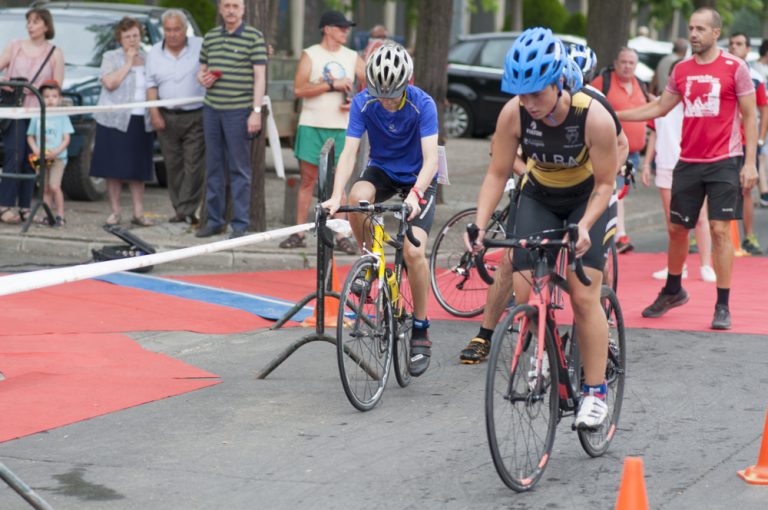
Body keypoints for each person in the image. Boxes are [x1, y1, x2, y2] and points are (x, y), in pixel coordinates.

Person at [471, 28, 619, 429]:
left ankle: (595, 390)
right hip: (539, 195)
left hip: (586, 199)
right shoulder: (513, 114)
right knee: (525, 292)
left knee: (583, 292)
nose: (529, 103)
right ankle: (545, 356)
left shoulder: (594, 116)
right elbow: (497, 172)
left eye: (537, 93)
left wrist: (586, 226)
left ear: (558, 82)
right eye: (522, 94)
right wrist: (478, 226)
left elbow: (606, 184)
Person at [618, 7, 759, 330]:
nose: (693, 34)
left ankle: (722, 304)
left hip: (725, 161)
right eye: (691, 28)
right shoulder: (681, 70)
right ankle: (672, 289)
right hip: (689, 161)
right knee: (676, 229)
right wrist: (616, 114)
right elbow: (659, 107)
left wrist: (750, 163)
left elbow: (750, 116)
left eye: (700, 29)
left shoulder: (735, 67)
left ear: (715, 33)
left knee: (720, 231)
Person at [321, 43, 438, 377]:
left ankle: (420, 328)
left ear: (407, 84)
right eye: (380, 94)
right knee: (358, 199)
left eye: (394, 95)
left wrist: (415, 195)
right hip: (383, 170)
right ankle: (371, 258)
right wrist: (334, 194)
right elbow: (349, 152)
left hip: (419, 176)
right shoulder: (362, 102)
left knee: (414, 253)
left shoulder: (423, 104)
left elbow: (431, 159)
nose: (387, 101)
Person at [278, 10, 363, 253]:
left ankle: (340, 235)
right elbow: (298, 89)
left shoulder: (352, 56)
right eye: (341, 27)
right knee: (308, 180)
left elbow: (371, 82)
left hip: (341, 127)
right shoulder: (311, 54)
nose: (346, 31)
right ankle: (299, 232)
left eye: (347, 27)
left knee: (340, 183)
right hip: (312, 123)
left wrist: (356, 99)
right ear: (327, 29)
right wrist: (330, 85)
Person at [196, 0, 267, 239]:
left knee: (240, 169)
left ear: (244, 9)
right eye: (226, 5)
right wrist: (203, 78)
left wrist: (256, 111)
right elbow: (201, 69)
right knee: (214, 166)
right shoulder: (211, 37)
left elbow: (260, 77)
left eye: (235, 6)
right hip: (211, 109)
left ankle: (240, 224)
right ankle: (214, 221)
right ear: (220, 8)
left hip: (239, 111)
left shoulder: (254, 37)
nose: (231, 10)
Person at [640, 64, 715, 283]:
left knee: (700, 218)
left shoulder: (695, 100)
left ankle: (706, 265)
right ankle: (677, 266)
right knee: (673, 221)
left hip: (692, 163)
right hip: (665, 163)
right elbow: (654, 132)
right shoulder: (661, 101)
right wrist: (646, 164)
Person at [0, 6, 64, 225]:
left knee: (32, 159)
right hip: (15, 111)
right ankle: (5, 205)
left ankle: (26, 206)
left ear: (46, 26)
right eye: (29, 21)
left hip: (39, 114)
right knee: (13, 156)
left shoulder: (54, 52)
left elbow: (57, 87)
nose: (30, 25)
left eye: (36, 21)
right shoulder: (15, 47)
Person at [90, 16, 155, 227]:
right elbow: (110, 83)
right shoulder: (111, 57)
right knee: (113, 168)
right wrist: (128, 62)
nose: (132, 40)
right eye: (127, 37)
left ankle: (138, 212)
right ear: (120, 39)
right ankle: (115, 212)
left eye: (135, 35)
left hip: (140, 119)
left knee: (138, 169)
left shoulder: (148, 59)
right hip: (114, 120)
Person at [146, 10, 205, 226]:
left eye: (176, 29)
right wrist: (154, 114)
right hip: (166, 116)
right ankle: (180, 208)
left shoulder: (200, 45)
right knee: (173, 165)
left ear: (184, 29)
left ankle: (186, 210)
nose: (172, 34)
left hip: (195, 114)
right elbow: (150, 85)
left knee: (194, 165)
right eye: (168, 30)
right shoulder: (154, 52)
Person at [591, 47, 651, 254]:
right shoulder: (603, 82)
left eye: (631, 63)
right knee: (613, 190)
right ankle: (617, 235)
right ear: (616, 63)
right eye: (623, 62)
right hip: (611, 148)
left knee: (618, 193)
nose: (627, 66)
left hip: (633, 153)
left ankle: (613, 233)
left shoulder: (640, 85)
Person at [728, 33, 768, 255]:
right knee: (711, 190)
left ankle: (749, 237)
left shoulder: (755, 78)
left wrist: (760, 138)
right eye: (732, 43)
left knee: (745, 190)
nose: (734, 47)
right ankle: (701, 236)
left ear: (748, 49)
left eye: (740, 44)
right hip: (721, 142)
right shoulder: (720, 72)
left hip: (745, 142)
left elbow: (764, 109)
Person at [26, 79, 73, 227]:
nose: (50, 100)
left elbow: (67, 138)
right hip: (42, 157)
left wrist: (57, 151)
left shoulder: (62, 116)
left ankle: (60, 215)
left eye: (54, 96)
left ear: (59, 99)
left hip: (58, 158)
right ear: (40, 98)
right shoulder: (37, 115)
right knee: (44, 188)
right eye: (46, 96)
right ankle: (47, 214)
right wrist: (35, 149)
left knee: (54, 186)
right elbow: (30, 136)